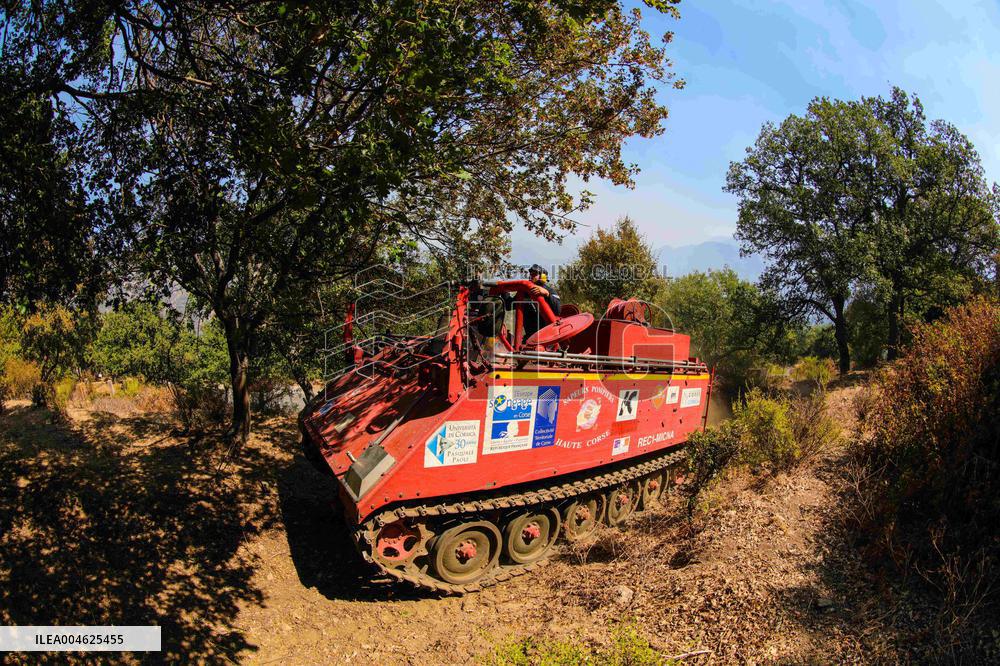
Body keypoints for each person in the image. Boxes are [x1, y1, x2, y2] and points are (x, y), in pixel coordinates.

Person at [522, 264, 561, 341]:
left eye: (534, 274)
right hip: (530, 336)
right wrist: (503, 291)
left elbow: (558, 310)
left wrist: (547, 294)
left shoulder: (550, 291)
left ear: (542, 277)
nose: (531, 276)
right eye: (531, 274)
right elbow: (509, 305)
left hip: (547, 336)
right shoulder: (524, 292)